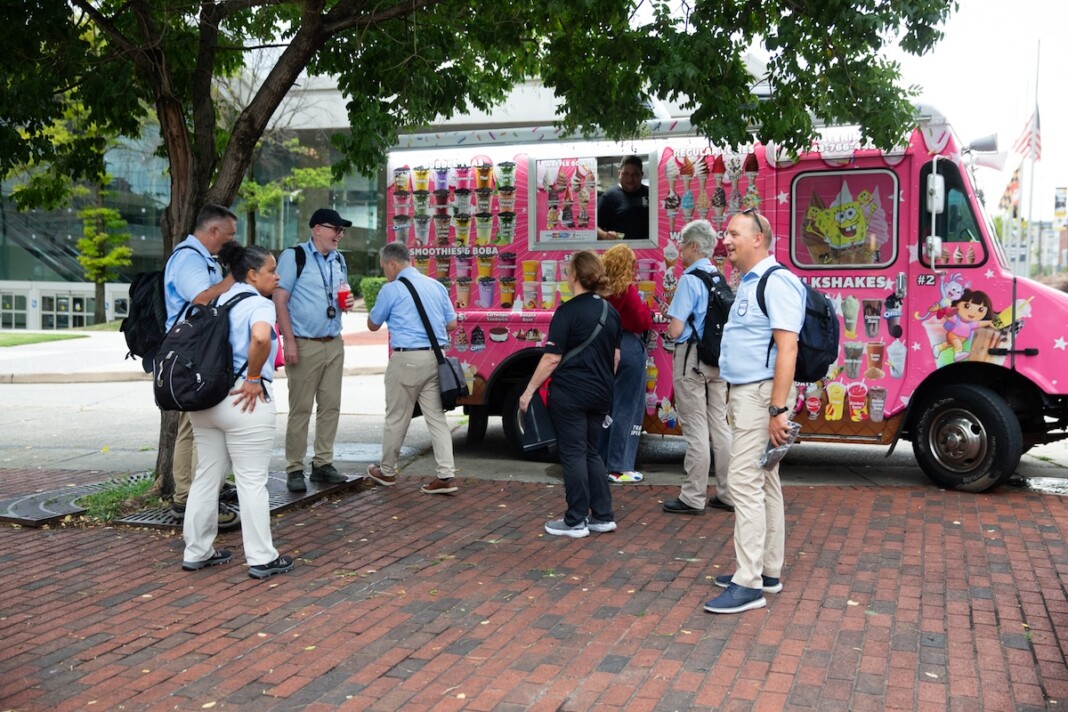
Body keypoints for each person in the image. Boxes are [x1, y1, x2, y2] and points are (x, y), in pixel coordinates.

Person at [704, 208, 805, 614]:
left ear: (758, 239)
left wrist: (777, 409)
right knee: (764, 481)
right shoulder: (752, 281)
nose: (725, 240)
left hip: (760, 396)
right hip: (753, 394)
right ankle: (767, 572)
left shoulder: (775, 281)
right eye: (726, 233)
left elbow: (788, 348)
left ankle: (747, 584)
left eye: (733, 233)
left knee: (744, 482)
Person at [181, 241, 294, 580]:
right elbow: (260, 338)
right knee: (252, 480)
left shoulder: (217, 301)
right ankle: (261, 558)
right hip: (244, 401)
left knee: (207, 476)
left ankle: (196, 550)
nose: (277, 276)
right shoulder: (259, 304)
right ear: (252, 274)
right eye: (272, 270)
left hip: (206, 401)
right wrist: (254, 377)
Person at [520, 251, 622, 538]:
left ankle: (575, 520)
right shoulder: (610, 312)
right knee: (591, 451)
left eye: (567, 271)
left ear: (575, 275)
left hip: (570, 393)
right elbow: (616, 359)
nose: (566, 275)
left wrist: (528, 391)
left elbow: (552, 358)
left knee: (573, 453)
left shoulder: (567, 312)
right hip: (601, 393)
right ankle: (602, 516)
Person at [164, 204, 240, 529]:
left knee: (192, 426)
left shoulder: (203, 258)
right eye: (230, 234)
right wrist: (235, 277)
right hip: (192, 352)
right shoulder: (189, 259)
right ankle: (193, 500)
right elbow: (203, 298)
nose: (232, 240)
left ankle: (189, 496)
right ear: (213, 231)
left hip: (199, 350)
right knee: (197, 429)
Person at [365, 242, 459, 494]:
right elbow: (452, 323)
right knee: (437, 419)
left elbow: (373, 324)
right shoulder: (436, 286)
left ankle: (387, 471)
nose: (385, 272)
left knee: (397, 417)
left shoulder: (391, 289)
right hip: (435, 358)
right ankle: (446, 475)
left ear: (392, 263)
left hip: (406, 359)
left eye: (384, 267)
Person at [274, 208, 354, 493]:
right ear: (318, 228)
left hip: (333, 341)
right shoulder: (294, 256)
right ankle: (294, 468)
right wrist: (289, 341)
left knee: (330, 406)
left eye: (342, 231)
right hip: (304, 342)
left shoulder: (338, 259)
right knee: (301, 409)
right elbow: (279, 300)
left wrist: (347, 302)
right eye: (336, 229)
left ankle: (323, 463)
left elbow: (340, 294)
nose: (340, 235)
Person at [661, 219, 734, 515]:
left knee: (695, 428)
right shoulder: (718, 277)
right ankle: (728, 493)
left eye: (682, 245)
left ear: (693, 246)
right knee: (720, 425)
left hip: (691, 359)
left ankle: (693, 496)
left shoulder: (689, 280)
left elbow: (676, 330)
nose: (680, 251)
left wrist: (669, 326)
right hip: (718, 360)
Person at [598, 244, 653, 483]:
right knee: (627, 409)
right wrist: (647, 308)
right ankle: (619, 467)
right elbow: (642, 322)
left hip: (604, 349)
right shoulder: (626, 291)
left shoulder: (599, 290)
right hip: (628, 349)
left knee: (606, 410)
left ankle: (601, 462)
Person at [597, 156, 649, 241]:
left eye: (635, 174)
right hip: (619, 247)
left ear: (641, 175)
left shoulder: (651, 194)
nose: (630, 179)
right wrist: (604, 235)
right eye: (626, 174)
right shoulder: (608, 197)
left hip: (650, 247)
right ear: (619, 174)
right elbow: (594, 227)